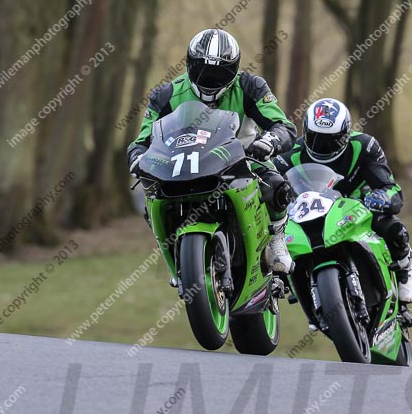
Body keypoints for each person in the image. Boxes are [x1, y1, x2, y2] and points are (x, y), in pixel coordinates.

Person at [127, 28, 296, 273]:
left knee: (276, 186)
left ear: (234, 69)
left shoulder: (251, 86)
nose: (210, 79)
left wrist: (269, 141)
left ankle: (277, 239)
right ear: (190, 64)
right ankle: (174, 251)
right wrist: (137, 158)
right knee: (151, 200)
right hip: (182, 164)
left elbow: (283, 125)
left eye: (220, 73)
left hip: (242, 159)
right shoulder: (165, 95)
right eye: (204, 71)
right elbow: (141, 141)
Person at [275, 97, 412, 303]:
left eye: (331, 139)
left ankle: (405, 267)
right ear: (305, 132)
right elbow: (269, 181)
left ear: (346, 134)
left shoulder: (365, 146)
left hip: (357, 207)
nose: (323, 146)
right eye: (316, 138)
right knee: (276, 246)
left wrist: (380, 199)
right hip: (312, 215)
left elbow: (391, 189)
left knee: (392, 227)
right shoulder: (291, 155)